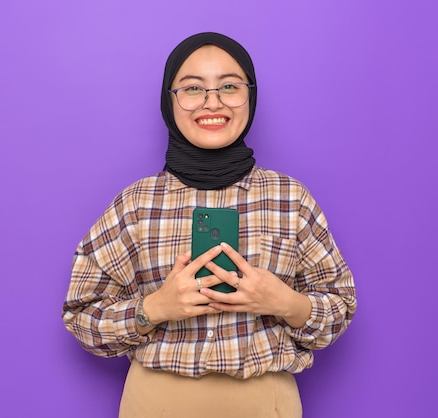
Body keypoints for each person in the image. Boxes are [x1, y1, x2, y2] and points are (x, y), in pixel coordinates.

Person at [62, 32, 357, 418]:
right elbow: (81, 315)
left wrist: (286, 302)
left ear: (250, 95)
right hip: (158, 403)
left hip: (266, 402)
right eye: (193, 88)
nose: (212, 103)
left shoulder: (290, 198)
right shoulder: (136, 203)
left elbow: (340, 305)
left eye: (229, 86)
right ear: (170, 101)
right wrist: (153, 308)